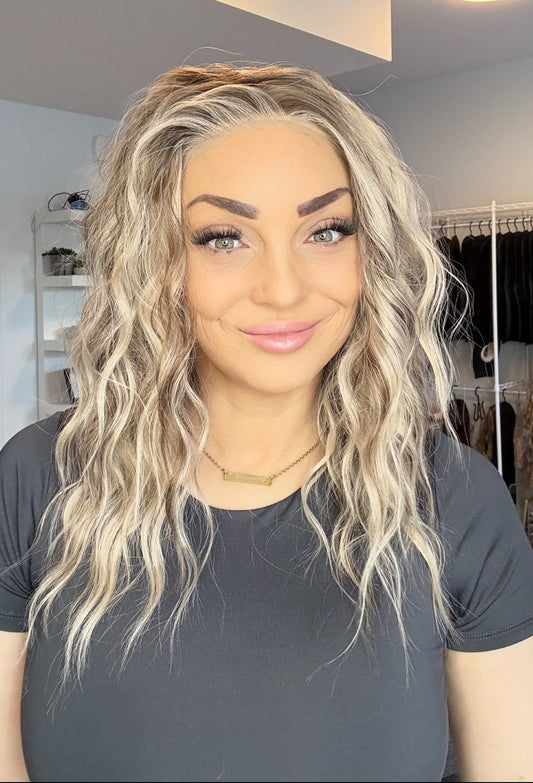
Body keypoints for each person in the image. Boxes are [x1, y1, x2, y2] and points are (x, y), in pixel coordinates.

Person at [1, 62, 532, 783]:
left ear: (366, 250)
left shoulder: (454, 500)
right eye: (223, 236)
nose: (283, 287)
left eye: (325, 230)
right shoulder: (38, 480)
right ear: (154, 260)